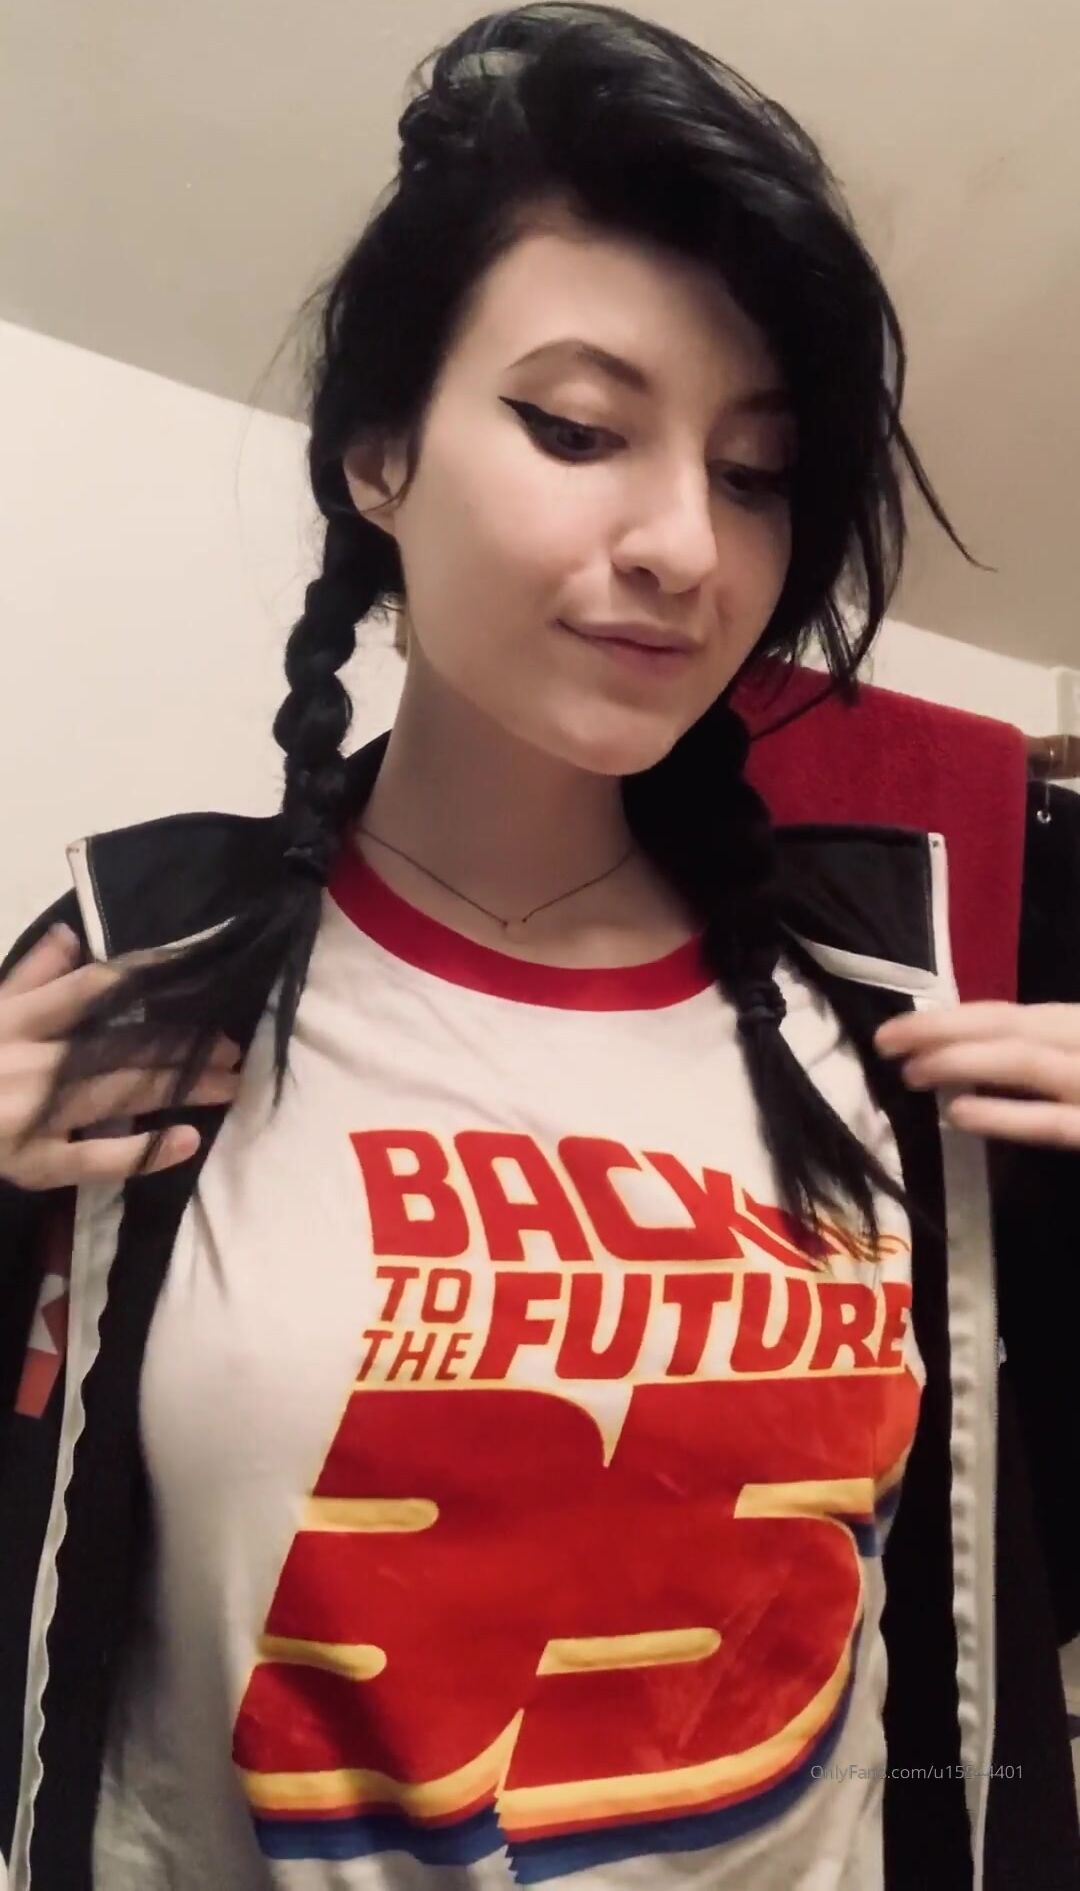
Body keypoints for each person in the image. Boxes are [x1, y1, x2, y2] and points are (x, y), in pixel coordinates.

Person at [1, 5, 1077, 1887]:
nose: (685, 546)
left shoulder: (888, 1020)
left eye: (755, 473)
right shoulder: (142, 974)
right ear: (378, 456)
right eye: (578, 429)